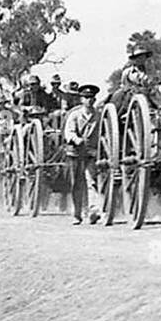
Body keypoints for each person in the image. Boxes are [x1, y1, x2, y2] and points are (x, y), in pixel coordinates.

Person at [63, 85, 101, 224]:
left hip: (91, 153)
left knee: (92, 182)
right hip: (75, 153)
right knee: (77, 184)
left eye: (91, 98)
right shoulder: (75, 115)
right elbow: (69, 132)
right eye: (86, 97)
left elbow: (103, 132)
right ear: (81, 99)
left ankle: (93, 212)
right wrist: (76, 139)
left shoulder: (98, 115)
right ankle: (77, 213)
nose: (89, 100)